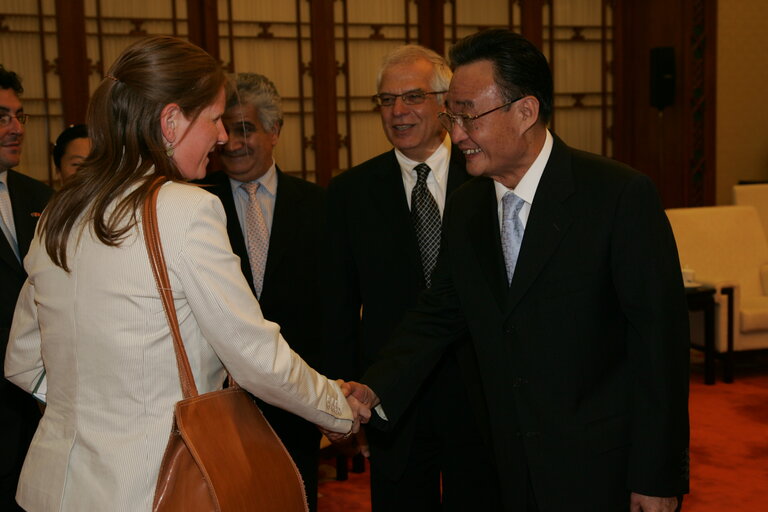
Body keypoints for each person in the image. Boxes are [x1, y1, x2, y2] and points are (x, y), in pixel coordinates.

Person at [3, 36, 368, 511]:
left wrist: (94, 407)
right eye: (214, 118)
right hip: (155, 486)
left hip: (52, 488)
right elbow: (254, 353)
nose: (221, 137)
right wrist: (336, 408)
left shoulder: (59, 212)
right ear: (171, 121)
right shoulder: (185, 209)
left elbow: (22, 361)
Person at [351, 29, 690, 512]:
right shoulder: (468, 207)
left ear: (525, 111)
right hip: (502, 466)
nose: (458, 133)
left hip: (598, 469)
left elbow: (660, 348)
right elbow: (439, 313)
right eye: (453, 116)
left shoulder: (617, 197)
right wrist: (374, 387)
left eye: (468, 116)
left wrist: (657, 475)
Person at [324, 45, 500, 511]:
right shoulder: (350, 193)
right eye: (386, 100)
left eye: (412, 97)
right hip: (392, 398)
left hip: (481, 388)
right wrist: (348, 402)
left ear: (445, 102)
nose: (397, 111)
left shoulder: (487, 178)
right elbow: (341, 307)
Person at [197, 72, 325, 512]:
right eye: (225, 129)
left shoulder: (320, 206)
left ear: (275, 130)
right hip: (217, 400)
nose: (231, 142)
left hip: (295, 398)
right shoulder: (193, 203)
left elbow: (337, 308)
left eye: (246, 129)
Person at [0, 64, 53, 512]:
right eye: (1, 117)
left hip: (34, 405)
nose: (16, 129)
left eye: (20, 116)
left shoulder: (40, 198)